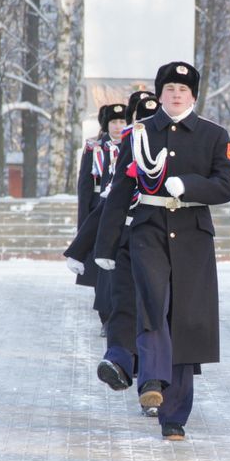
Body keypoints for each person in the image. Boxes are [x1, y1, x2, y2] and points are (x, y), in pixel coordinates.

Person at [93, 62, 230, 440]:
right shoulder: (138, 134)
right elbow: (120, 191)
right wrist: (106, 244)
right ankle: (153, 381)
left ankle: (175, 415)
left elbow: (227, 185)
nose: (176, 94)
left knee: (186, 319)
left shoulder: (213, 135)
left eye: (183, 89)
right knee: (153, 303)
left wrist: (188, 185)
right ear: (160, 93)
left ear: (194, 95)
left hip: (193, 234)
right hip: (149, 229)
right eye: (170, 88)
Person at [65, 92, 160, 416]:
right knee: (121, 305)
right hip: (124, 241)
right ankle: (120, 362)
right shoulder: (122, 152)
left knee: (156, 317)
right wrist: (83, 246)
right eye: (136, 118)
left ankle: (151, 383)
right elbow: (104, 204)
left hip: (162, 244)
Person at [74, 103, 127, 332]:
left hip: (124, 212)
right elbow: (86, 186)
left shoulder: (135, 144)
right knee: (101, 267)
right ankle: (106, 317)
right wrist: (84, 222)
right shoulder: (95, 148)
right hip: (99, 210)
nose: (118, 127)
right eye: (114, 122)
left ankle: (120, 314)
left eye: (122, 122)